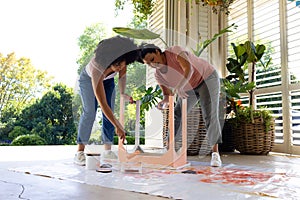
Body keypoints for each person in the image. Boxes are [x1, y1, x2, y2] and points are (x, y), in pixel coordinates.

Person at [138, 43, 223, 167]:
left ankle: (215, 154)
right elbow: (167, 96)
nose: (153, 64)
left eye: (152, 59)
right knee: (177, 113)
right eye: (148, 64)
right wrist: (163, 102)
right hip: (188, 87)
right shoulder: (158, 75)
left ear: (157, 51)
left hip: (207, 78)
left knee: (209, 115)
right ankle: (169, 149)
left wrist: (179, 87)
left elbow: (189, 69)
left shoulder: (175, 52)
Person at [74, 36, 138, 166]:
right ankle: (79, 153)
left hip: (108, 81)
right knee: (90, 112)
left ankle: (107, 151)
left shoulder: (122, 59)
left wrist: (122, 93)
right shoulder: (97, 68)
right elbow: (102, 104)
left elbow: (122, 76)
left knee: (110, 112)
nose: (120, 67)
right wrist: (118, 125)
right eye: (116, 64)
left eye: (122, 63)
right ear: (109, 60)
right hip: (88, 79)